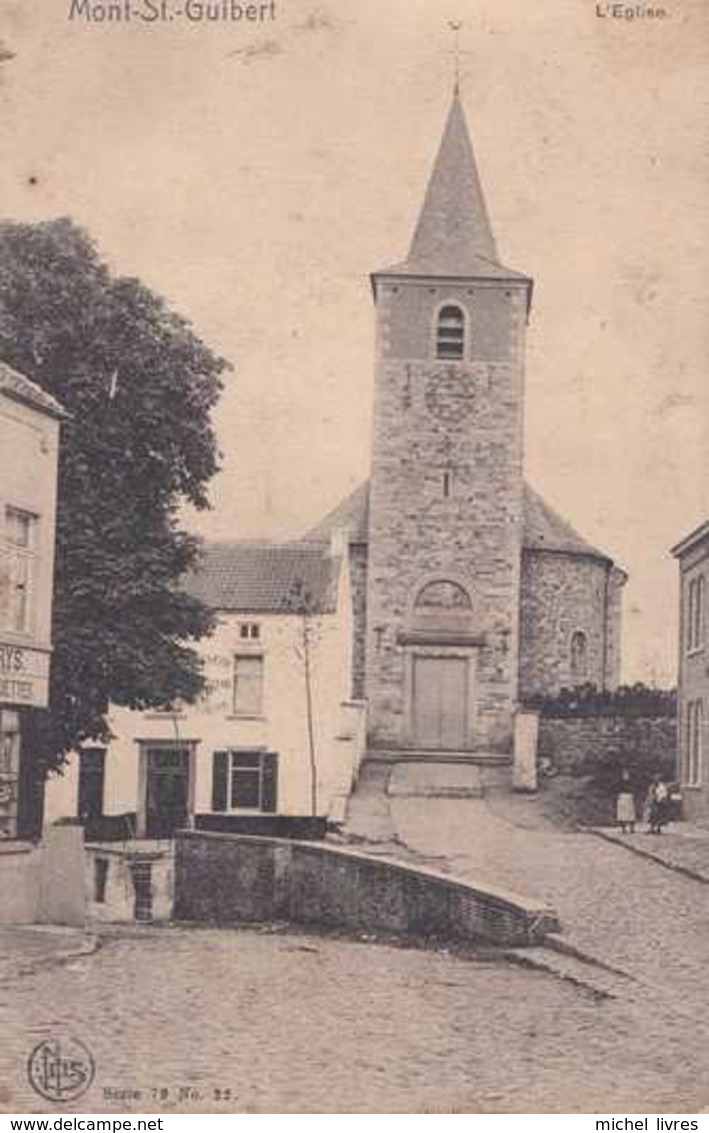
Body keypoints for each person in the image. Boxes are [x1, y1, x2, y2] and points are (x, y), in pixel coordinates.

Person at [616, 768, 636, 834]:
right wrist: (618, 795)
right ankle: (623, 829)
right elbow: (616, 790)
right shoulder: (619, 783)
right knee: (622, 813)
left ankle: (632, 828)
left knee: (630, 813)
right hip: (622, 797)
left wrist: (632, 794)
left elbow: (634, 790)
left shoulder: (631, 783)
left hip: (629, 797)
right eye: (624, 774)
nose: (626, 776)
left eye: (627, 774)